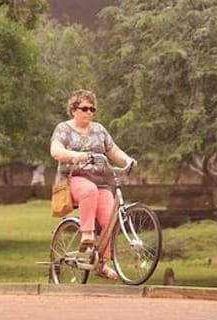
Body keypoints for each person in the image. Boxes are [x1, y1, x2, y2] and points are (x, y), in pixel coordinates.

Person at [49, 89, 135, 280]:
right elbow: (55, 150)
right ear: (74, 110)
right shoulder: (64, 129)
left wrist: (127, 161)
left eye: (92, 109)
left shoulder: (99, 130)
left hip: (101, 182)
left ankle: (101, 264)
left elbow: (113, 151)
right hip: (74, 179)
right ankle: (86, 235)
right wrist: (74, 155)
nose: (89, 112)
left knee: (110, 220)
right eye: (85, 108)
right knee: (89, 190)